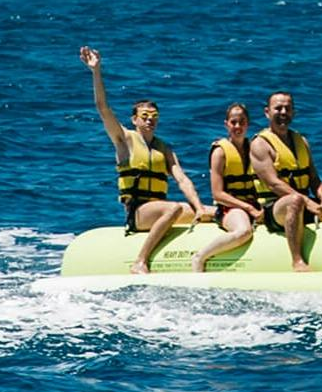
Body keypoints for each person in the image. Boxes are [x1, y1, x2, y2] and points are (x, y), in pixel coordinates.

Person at [80, 46, 212, 274]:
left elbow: (182, 180)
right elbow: (103, 108)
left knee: (216, 211)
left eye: (154, 117)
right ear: (134, 119)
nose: (150, 121)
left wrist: (199, 208)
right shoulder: (124, 140)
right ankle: (140, 260)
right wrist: (96, 72)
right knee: (172, 209)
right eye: (145, 117)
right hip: (138, 213)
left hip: (159, 208)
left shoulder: (164, 148)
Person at [249, 89, 322, 271]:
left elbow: (314, 178)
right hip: (274, 208)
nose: (283, 113)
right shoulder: (260, 144)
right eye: (278, 108)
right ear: (267, 112)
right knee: (295, 201)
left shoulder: (301, 141)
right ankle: (297, 260)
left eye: (287, 109)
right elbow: (273, 183)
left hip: (304, 201)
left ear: (293, 113)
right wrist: (308, 203)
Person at [192, 102, 262, 272]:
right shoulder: (220, 152)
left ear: (248, 123)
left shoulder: (254, 148)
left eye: (242, 121)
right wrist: (248, 208)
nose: (238, 126)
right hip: (230, 209)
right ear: (226, 124)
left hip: (254, 205)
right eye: (233, 122)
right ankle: (200, 256)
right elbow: (217, 194)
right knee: (244, 231)